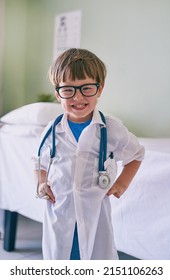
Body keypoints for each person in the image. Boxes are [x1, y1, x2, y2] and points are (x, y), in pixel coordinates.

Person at [33, 48, 145, 260]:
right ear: (57, 93)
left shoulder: (110, 128)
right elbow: (39, 161)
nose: (78, 97)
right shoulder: (51, 129)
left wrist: (122, 183)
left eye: (86, 88)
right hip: (60, 213)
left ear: (99, 89)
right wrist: (41, 183)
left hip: (95, 214)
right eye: (68, 90)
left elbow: (136, 154)